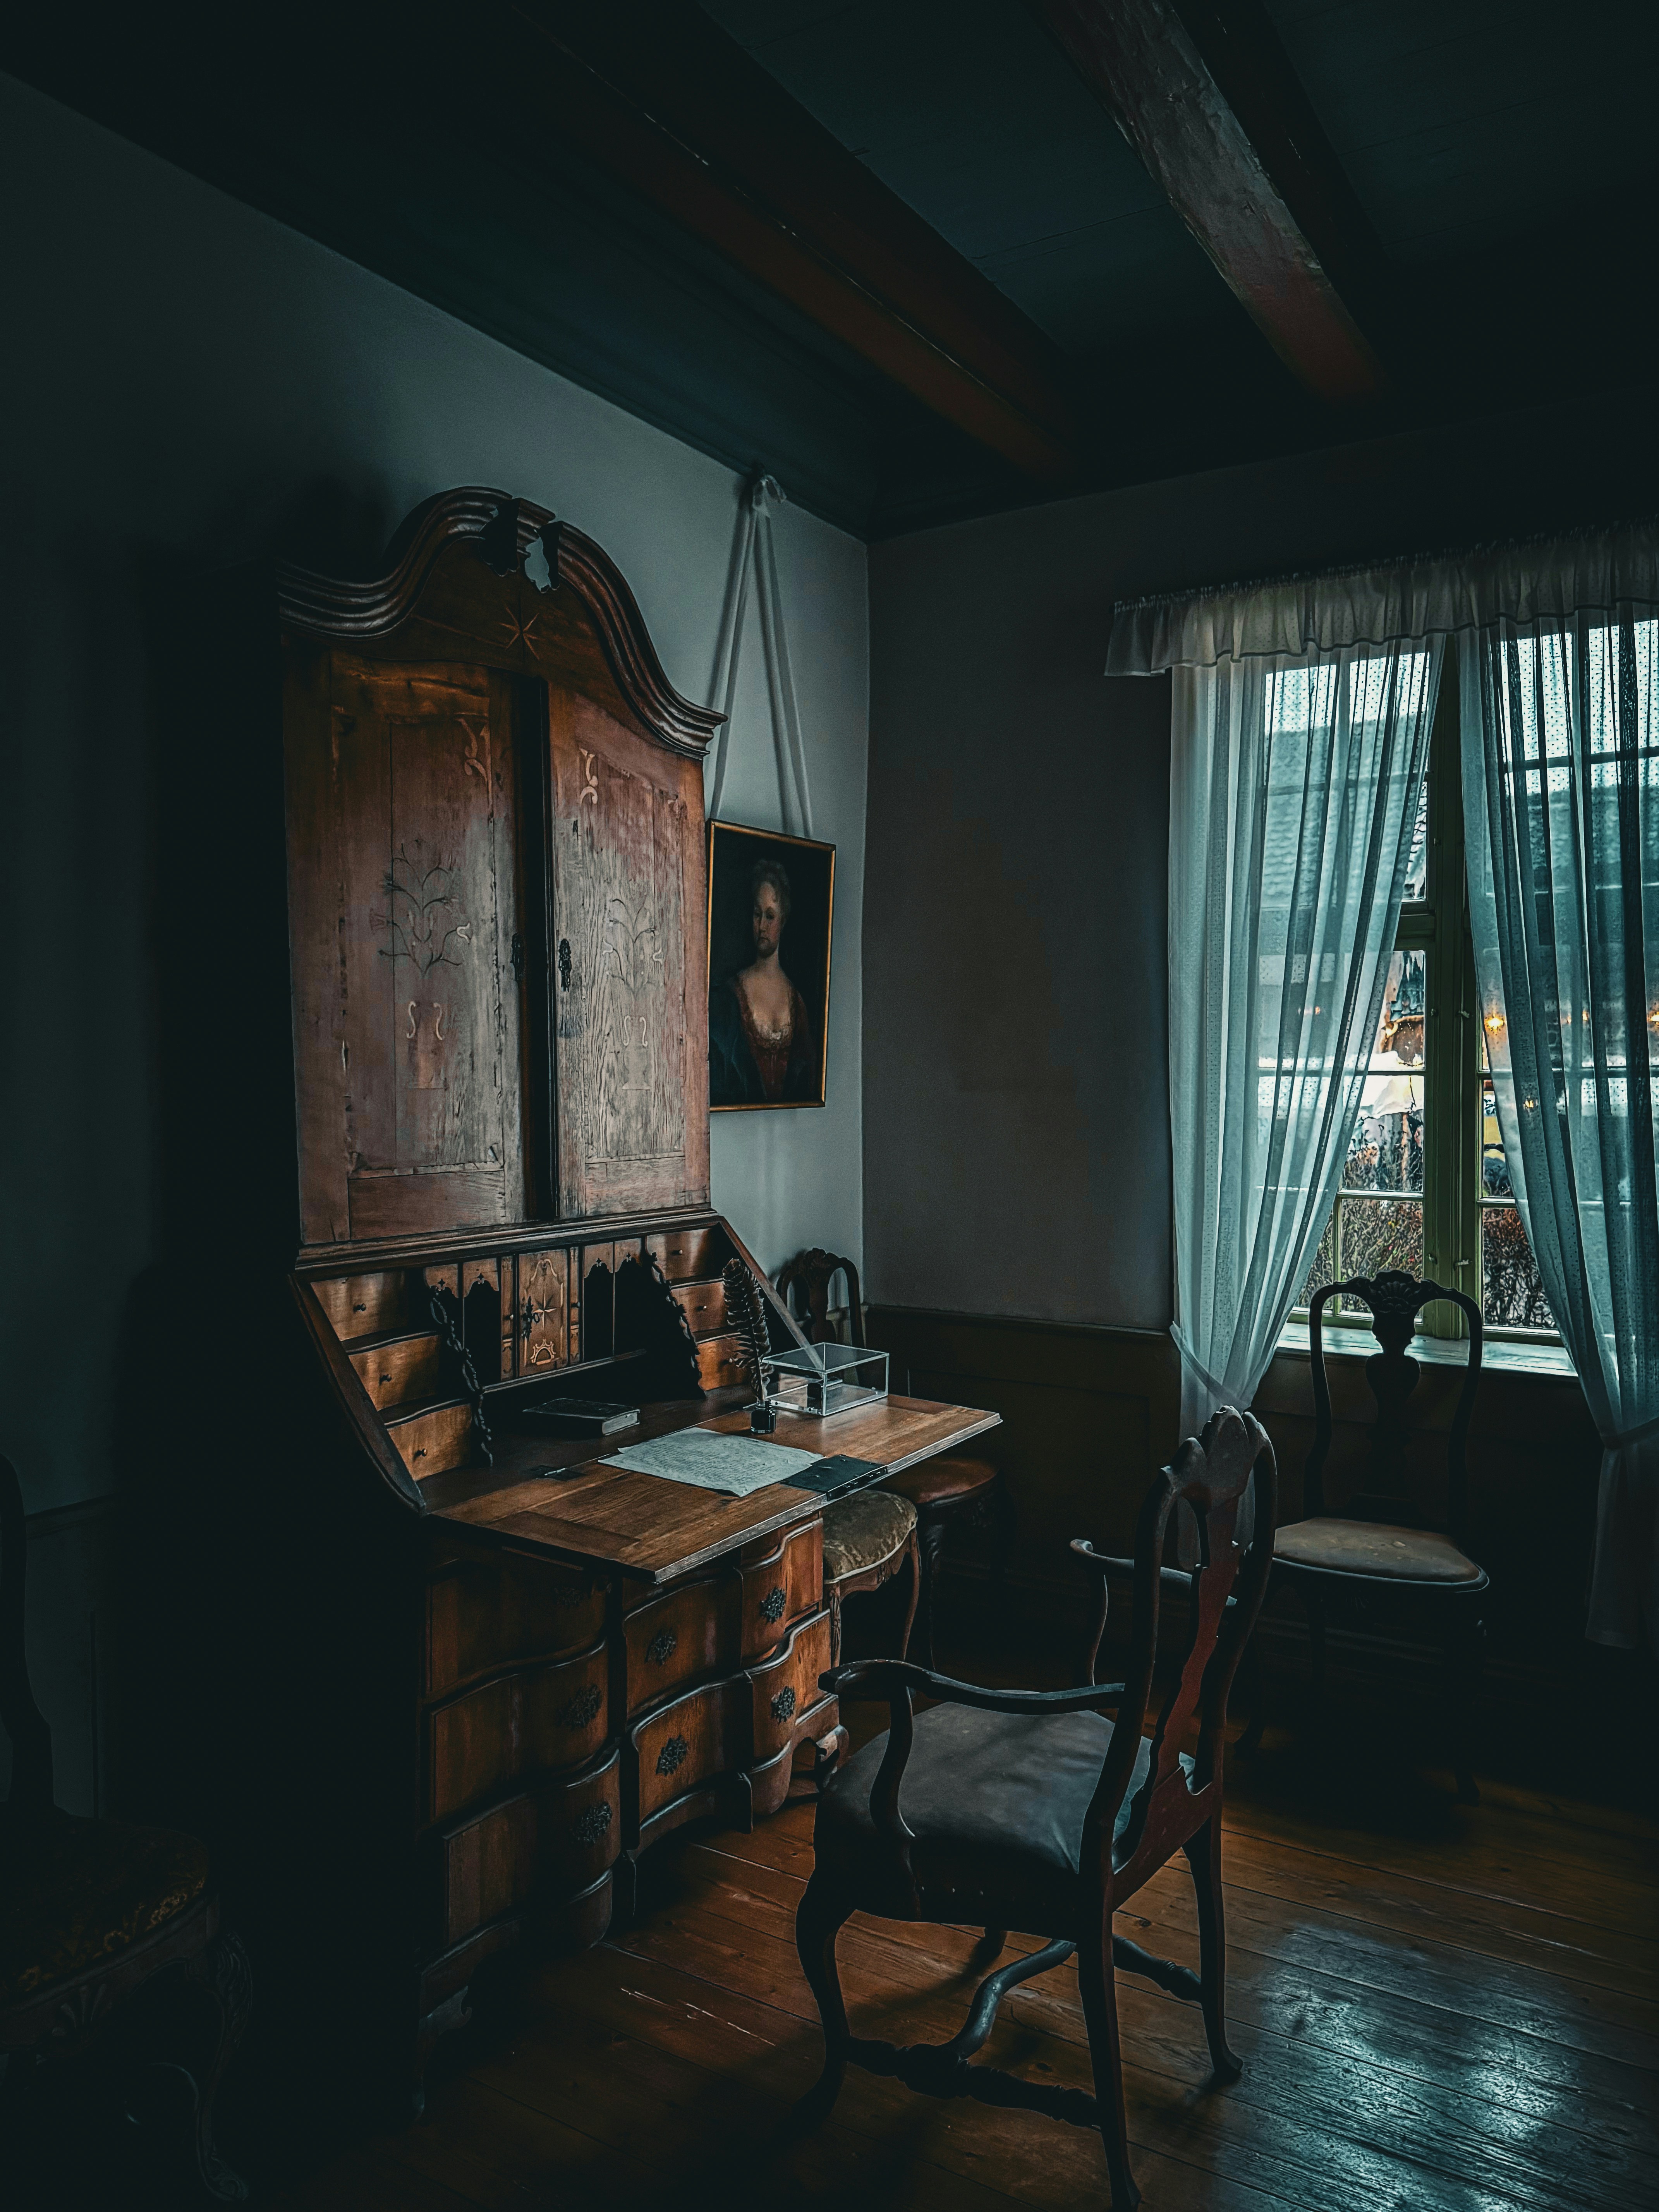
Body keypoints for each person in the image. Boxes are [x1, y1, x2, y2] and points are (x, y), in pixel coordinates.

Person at [709, 857, 817, 1104]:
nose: (761, 926)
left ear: (783, 920)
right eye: (757, 915)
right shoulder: (730, 996)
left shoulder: (796, 1002)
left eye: (770, 916)